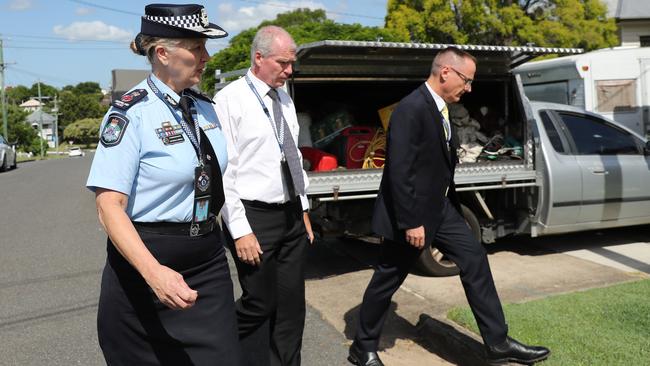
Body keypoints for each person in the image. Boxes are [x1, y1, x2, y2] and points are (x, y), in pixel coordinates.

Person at [348, 47, 551, 366]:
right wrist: (411, 221)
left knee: (474, 260)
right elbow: (400, 171)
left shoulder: (440, 108)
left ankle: (497, 343)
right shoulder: (410, 109)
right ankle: (362, 347)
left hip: (441, 208)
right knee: (388, 277)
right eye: (466, 80)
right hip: (412, 212)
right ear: (446, 72)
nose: (469, 88)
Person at [86, 4, 240, 365]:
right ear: (162, 53)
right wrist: (154, 274)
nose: (205, 57)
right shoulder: (130, 113)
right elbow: (109, 206)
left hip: (206, 261)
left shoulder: (205, 107)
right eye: (197, 47)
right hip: (144, 268)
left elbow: (217, 180)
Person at [213, 25, 314, 366]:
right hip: (253, 216)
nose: (289, 71)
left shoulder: (284, 96)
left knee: (291, 306)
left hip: (290, 214)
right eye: (283, 63)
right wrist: (239, 229)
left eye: (291, 64)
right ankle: (222, 353)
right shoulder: (230, 100)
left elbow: (292, 156)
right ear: (259, 58)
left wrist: (302, 208)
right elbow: (224, 171)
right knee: (259, 302)